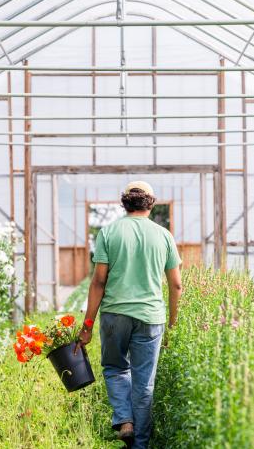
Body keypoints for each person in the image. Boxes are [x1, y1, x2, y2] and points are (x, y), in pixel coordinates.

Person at [74, 181, 183, 448]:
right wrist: (172, 322)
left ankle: (124, 419)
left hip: (114, 315)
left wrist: (87, 326)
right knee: (144, 383)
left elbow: (98, 282)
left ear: (125, 203)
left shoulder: (109, 233)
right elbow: (177, 285)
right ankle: (140, 444)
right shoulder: (164, 235)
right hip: (150, 317)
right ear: (151, 203)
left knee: (115, 367)